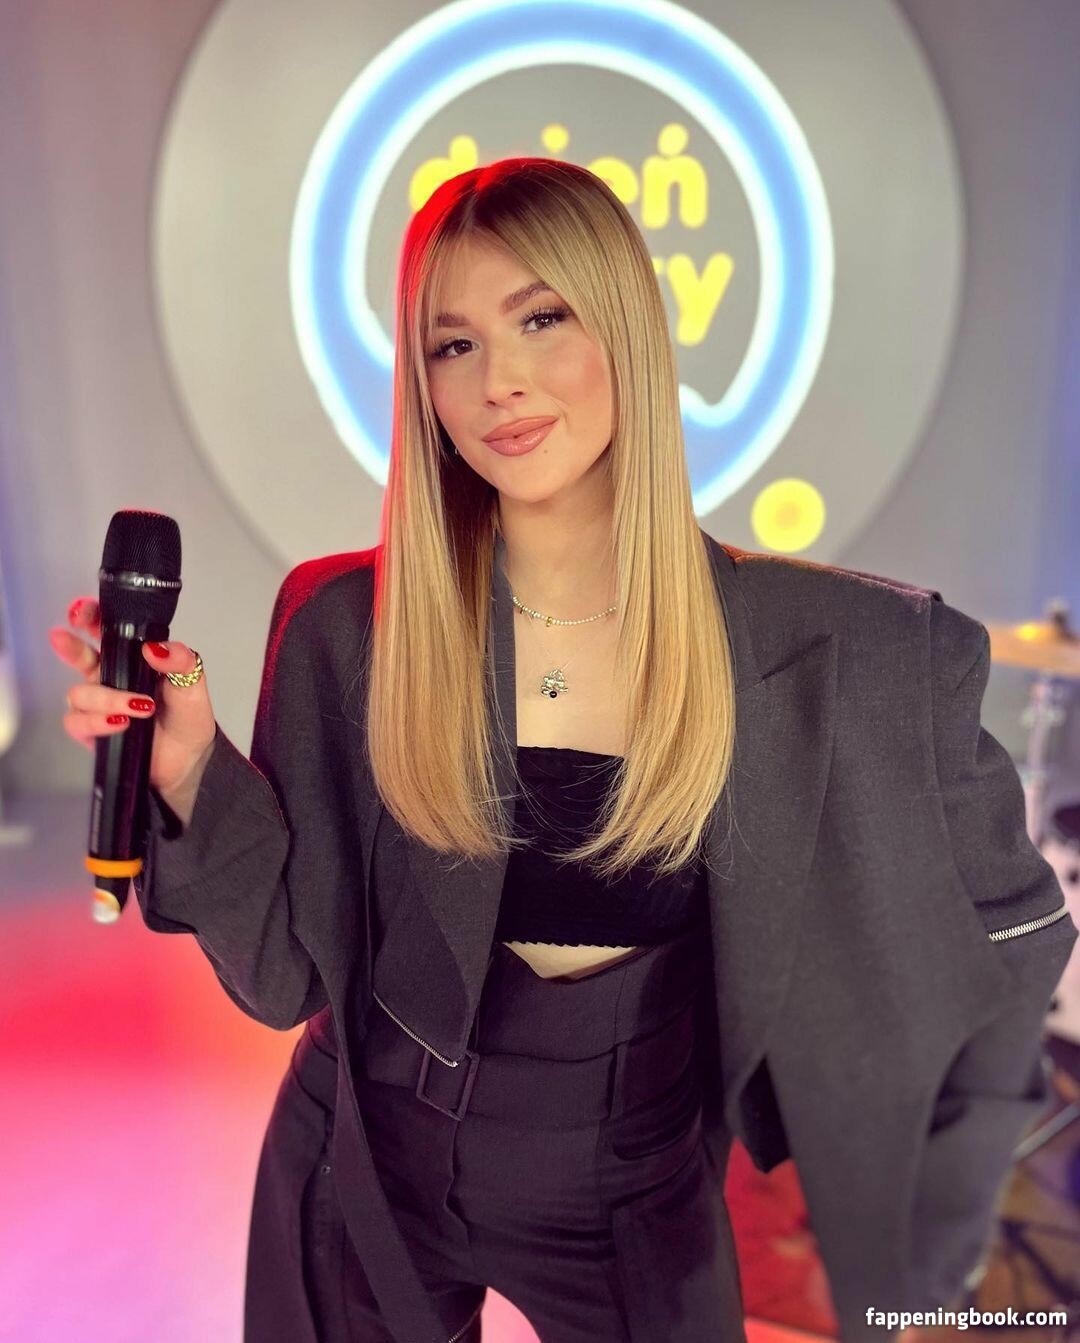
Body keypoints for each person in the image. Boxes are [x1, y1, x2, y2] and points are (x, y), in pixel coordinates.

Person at [50, 158, 1077, 1343]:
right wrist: (187, 770)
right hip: (364, 1157)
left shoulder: (848, 651)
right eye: (453, 344)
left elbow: (1009, 943)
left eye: (541, 318)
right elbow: (286, 974)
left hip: (637, 1179)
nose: (500, 380)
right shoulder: (346, 627)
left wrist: (930, 1252)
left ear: (626, 328)